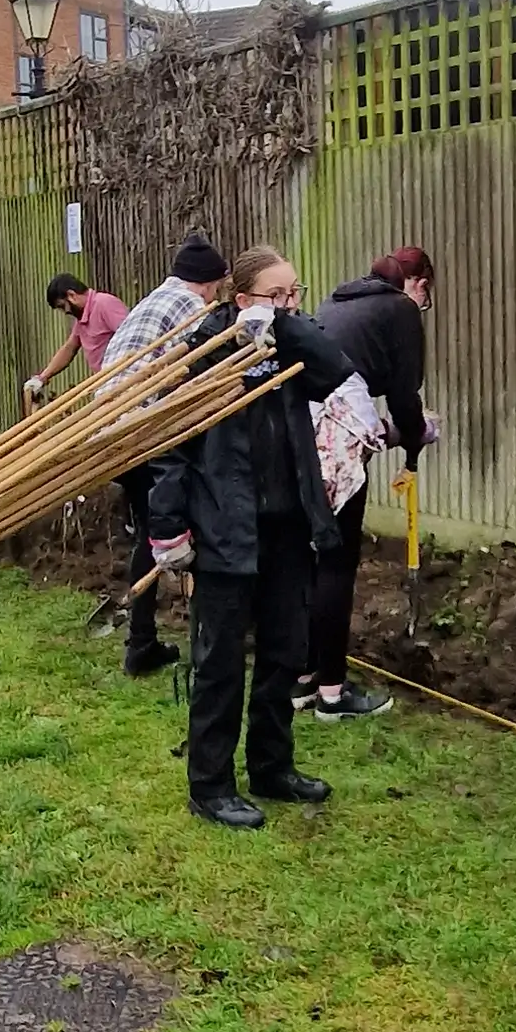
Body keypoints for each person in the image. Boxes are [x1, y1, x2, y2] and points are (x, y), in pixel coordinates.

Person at [145, 245, 346, 828]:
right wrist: (168, 530)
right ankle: (210, 785)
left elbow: (335, 370)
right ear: (239, 299)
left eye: (295, 293)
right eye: (275, 295)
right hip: (225, 529)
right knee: (221, 662)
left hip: (286, 525)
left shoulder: (283, 344)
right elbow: (170, 445)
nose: (288, 304)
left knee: (285, 652)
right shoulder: (203, 351)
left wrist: (281, 323)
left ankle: (271, 765)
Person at [297, 245, 436, 722]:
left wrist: (402, 435)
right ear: (417, 284)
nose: (423, 306)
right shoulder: (399, 309)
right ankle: (333, 695)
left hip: (298, 429)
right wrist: (419, 438)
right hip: (337, 436)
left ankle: (302, 680)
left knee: (309, 558)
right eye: (426, 295)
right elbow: (403, 396)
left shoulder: (338, 304)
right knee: (337, 560)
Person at [99, 236, 230, 677]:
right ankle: (199, 647)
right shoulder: (194, 309)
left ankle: (142, 644)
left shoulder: (153, 300)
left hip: (110, 430)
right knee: (182, 526)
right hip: (144, 431)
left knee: (149, 534)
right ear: (209, 285)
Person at [22, 274, 127, 405]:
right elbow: (69, 348)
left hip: (123, 379)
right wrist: (42, 377)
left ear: (71, 295)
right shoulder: (82, 319)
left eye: (62, 306)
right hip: (107, 383)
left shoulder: (104, 304)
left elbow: (130, 335)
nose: (65, 312)